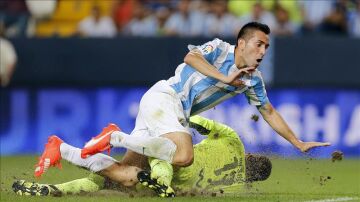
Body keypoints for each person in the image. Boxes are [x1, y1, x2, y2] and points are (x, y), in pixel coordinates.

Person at [34, 22, 330, 196]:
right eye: (259, 44)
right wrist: (223, 76)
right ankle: (115, 137)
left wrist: (297, 142)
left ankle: (61, 149)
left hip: (166, 114)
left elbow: (270, 112)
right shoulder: (219, 49)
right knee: (185, 155)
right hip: (166, 97)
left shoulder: (253, 81)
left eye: (267, 47)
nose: (263, 51)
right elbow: (190, 58)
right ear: (241, 43)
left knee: (125, 179)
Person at [13, 116, 271, 197]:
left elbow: (200, 122)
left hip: (178, 153)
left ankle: (62, 154)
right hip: (182, 176)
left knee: (124, 174)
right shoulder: (236, 187)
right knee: (114, 179)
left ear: (250, 155)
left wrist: (179, 119)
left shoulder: (234, 141)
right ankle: (53, 187)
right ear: (252, 177)